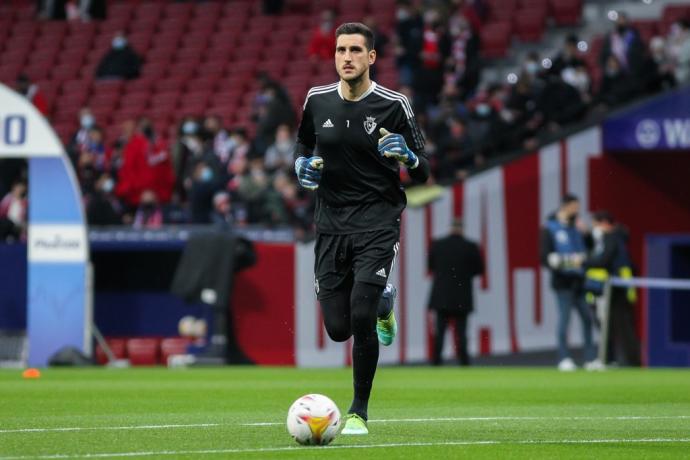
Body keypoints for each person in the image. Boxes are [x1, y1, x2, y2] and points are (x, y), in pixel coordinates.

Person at [294, 22, 429, 435]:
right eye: (340, 50)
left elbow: (423, 173)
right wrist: (300, 166)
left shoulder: (394, 105)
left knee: (360, 314)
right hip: (331, 223)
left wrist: (407, 156)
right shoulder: (316, 101)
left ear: (371, 58)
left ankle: (358, 412)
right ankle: (384, 302)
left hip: (378, 221)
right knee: (338, 329)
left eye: (355, 50)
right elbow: (302, 145)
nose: (346, 57)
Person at [540, 194, 599, 371]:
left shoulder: (577, 227)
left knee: (587, 319)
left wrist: (587, 234)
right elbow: (545, 257)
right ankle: (564, 358)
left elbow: (589, 250)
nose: (577, 210)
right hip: (562, 282)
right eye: (574, 206)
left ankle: (590, 359)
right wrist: (565, 262)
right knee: (564, 320)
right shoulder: (549, 228)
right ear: (565, 206)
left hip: (580, 281)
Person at [583, 211, 640, 366]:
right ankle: (613, 359)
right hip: (623, 284)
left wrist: (584, 262)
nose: (595, 228)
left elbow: (605, 259)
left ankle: (625, 362)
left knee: (618, 325)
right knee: (614, 325)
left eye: (595, 224)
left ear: (604, 223)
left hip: (616, 286)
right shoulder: (619, 236)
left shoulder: (611, 237)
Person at [427, 218, 484, 366]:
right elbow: (478, 269)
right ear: (462, 228)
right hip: (462, 295)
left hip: (442, 295)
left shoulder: (438, 245)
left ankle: (436, 362)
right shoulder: (470, 246)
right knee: (462, 332)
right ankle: (464, 362)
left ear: (450, 227)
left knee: (440, 331)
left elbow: (431, 266)